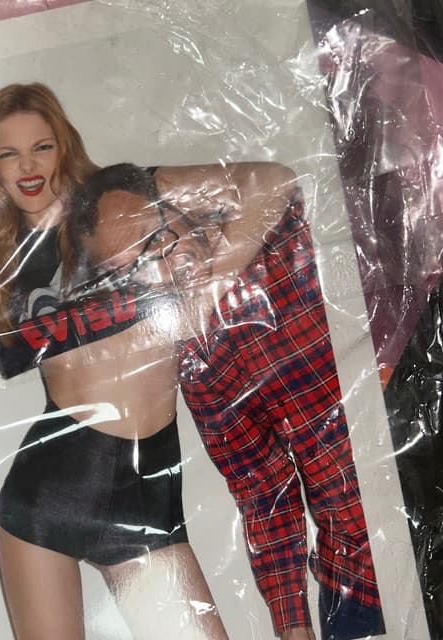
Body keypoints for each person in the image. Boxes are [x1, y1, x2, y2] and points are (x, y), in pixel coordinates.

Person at [0, 82, 293, 640]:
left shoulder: (128, 198)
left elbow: (272, 182)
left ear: (64, 146)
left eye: (41, 147)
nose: (28, 167)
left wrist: (211, 286)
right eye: (9, 154)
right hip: (50, 495)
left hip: (149, 498)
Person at [66, 162, 385, 640]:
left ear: (181, 209)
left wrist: (171, 190)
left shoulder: (275, 235)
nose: (158, 270)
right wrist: (292, 626)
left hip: (414, 495)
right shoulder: (194, 356)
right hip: (356, 583)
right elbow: (263, 491)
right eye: (130, 271)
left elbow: (275, 181)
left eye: (153, 239)